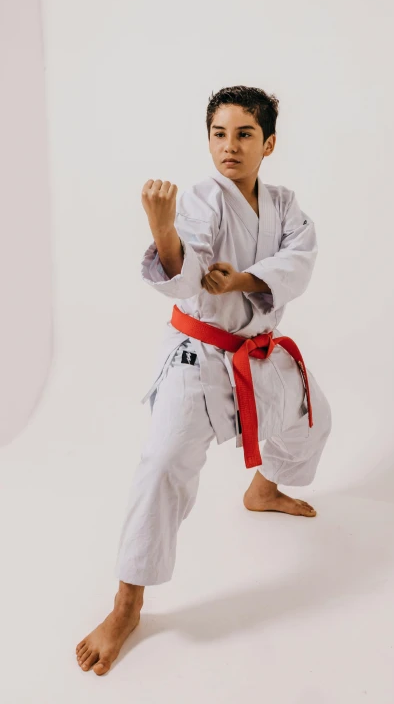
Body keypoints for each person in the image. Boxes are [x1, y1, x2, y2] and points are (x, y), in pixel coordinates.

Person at [75, 85, 332, 675]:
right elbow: (185, 272)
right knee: (163, 465)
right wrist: (163, 229)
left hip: (259, 351)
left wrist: (242, 280)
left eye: (244, 134)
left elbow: (299, 263)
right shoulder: (201, 198)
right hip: (199, 354)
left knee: (313, 415)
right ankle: (126, 604)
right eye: (219, 134)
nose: (230, 146)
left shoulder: (287, 205)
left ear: (269, 143)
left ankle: (263, 489)